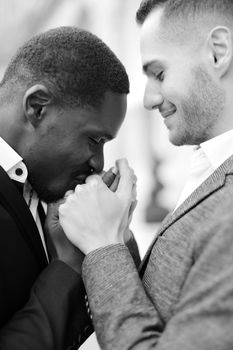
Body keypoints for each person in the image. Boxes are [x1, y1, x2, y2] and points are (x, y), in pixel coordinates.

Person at [57, 1, 233, 349]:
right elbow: (166, 309)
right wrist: (118, 236)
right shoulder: (212, 168)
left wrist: (102, 245)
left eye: (159, 74)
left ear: (217, 52)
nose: (150, 99)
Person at [0, 26, 133, 349]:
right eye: (94, 140)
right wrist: (66, 268)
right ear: (37, 107)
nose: (99, 164)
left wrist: (113, 238)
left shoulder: (41, 186)